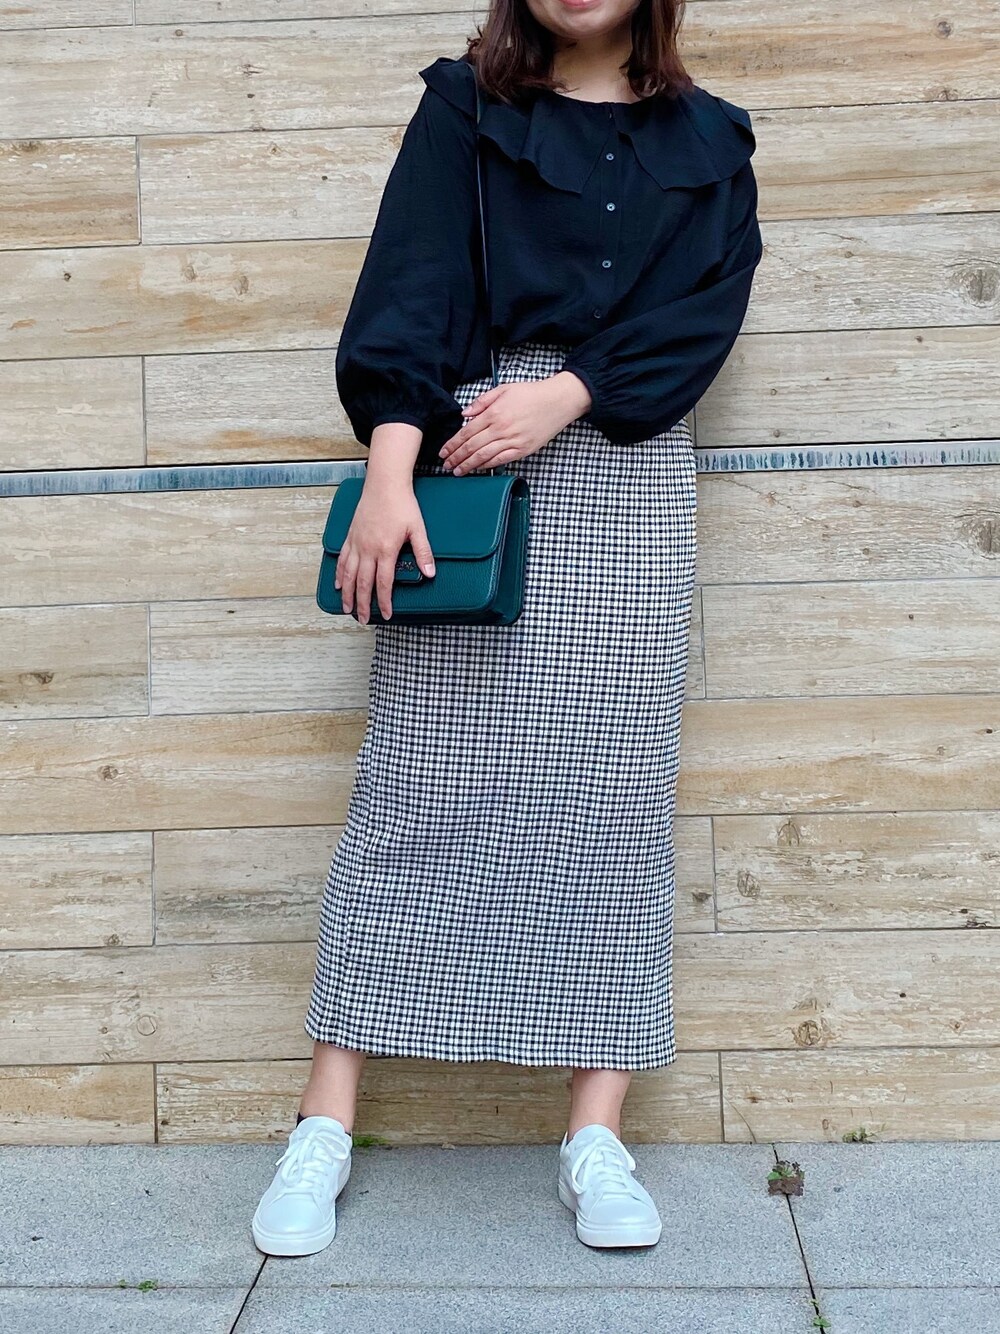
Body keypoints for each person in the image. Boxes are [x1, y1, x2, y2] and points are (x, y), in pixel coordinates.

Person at [252, 0, 762, 1258]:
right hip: (465, 465)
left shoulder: (710, 141)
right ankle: (323, 1120)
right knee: (414, 785)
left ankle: (595, 1134)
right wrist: (389, 474)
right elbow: (411, 280)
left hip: (624, 472)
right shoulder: (463, 109)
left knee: (611, 794)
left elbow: (704, 308)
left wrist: (573, 390)